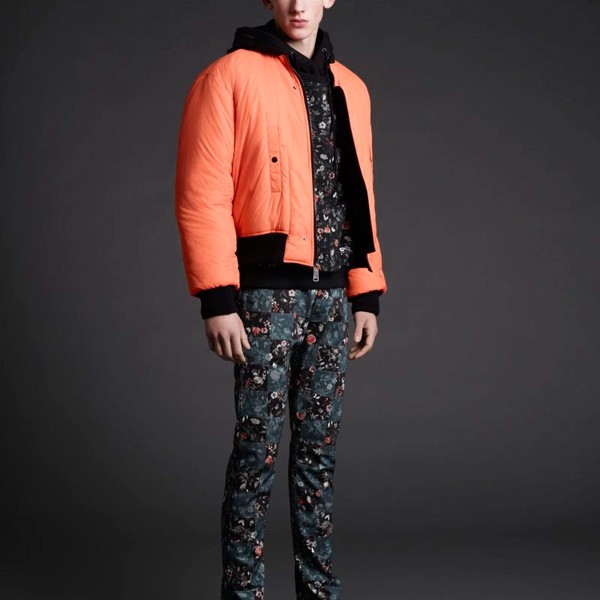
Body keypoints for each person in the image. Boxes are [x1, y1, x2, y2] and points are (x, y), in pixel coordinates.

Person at [174, 1, 387, 597]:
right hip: (264, 299)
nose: (298, 4)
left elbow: (359, 193)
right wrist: (218, 297)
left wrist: (366, 289)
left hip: (332, 298)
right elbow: (201, 192)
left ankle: (319, 592)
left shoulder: (352, 87)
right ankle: (243, 593)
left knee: (318, 458)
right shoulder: (228, 76)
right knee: (257, 453)